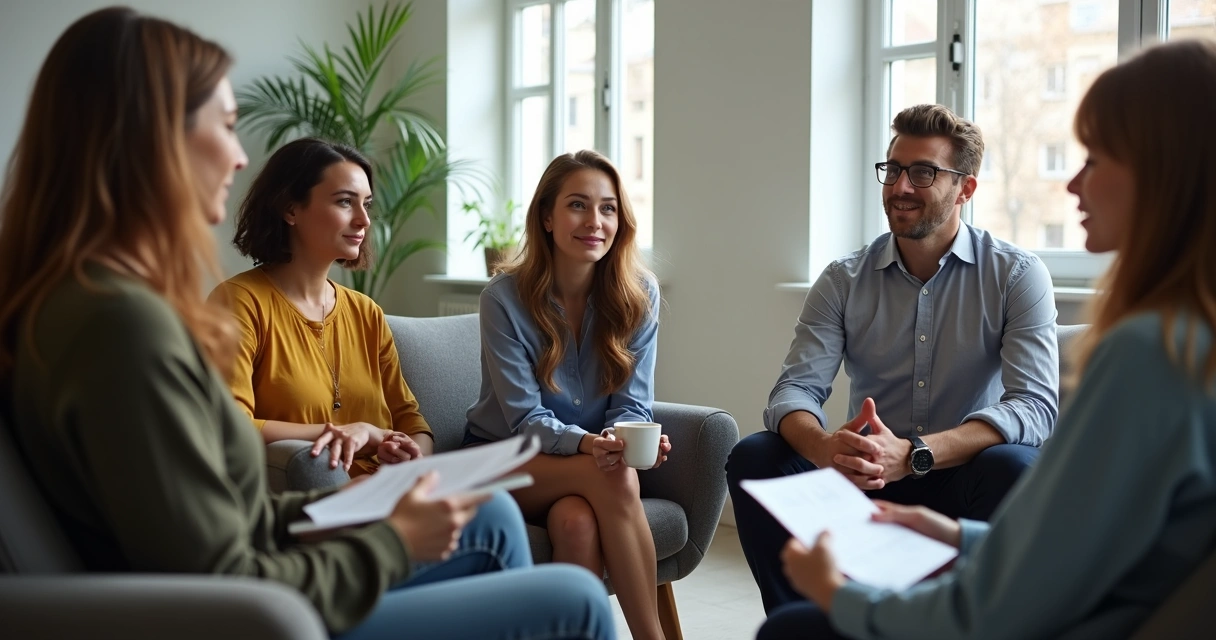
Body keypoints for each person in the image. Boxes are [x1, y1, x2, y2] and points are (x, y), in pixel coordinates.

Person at [0, 7, 613, 640]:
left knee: (489, 513)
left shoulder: (92, 303)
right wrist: (395, 540)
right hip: (254, 616)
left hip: (258, 576)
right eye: (227, 127)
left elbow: (236, 518)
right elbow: (223, 570)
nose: (240, 158)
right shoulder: (124, 327)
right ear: (151, 139)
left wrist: (378, 500)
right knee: (576, 598)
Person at [761, 38, 1216, 640]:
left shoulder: (1144, 350)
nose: (1072, 185)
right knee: (758, 458)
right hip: (876, 473)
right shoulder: (1188, 338)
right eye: (893, 170)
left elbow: (994, 609)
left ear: (1165, 174)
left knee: (794, 631)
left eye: (1096, 159)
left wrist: (842, 598)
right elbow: (1087, 544)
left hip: (974, 486)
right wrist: (946, 529)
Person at [728, 103, 1060, 614]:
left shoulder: (1015, 275)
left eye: (924, 172)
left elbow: (1034, 407)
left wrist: (915, 453)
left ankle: (977, 619)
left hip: (961, 475)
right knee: (756, 455)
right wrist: (821, 446)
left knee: (1016, 464)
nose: (901, 187)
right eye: (894, 169)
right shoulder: (842, 279)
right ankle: (806, 621)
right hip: (865, 477)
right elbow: (793, 391)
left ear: (965, 189)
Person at [464, 150, 672, 640]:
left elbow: (633, 403)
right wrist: (592, 446)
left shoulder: (639, 294)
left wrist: (627, 439)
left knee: (577, 523)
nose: (595, 221)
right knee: (616, 478)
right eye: (578, 205)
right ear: (547, 217)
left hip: (581, 469)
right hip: (502, 461)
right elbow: (524, 419)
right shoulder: (503, 299)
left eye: (608, 208)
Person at [211, 137, 431, 477]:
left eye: (366, 205)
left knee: (496, 508)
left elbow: (411, 421)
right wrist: (354, 434)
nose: (363, 220)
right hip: (316, 490)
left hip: (392, 487)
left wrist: (410, 455)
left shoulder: (366, 312)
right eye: (345, 202)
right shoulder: (239, 302)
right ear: (290, 209)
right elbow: (230, 423)